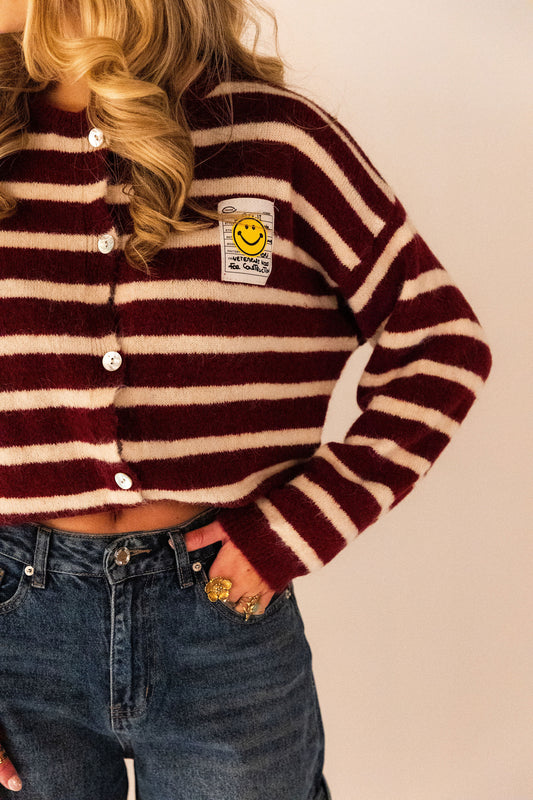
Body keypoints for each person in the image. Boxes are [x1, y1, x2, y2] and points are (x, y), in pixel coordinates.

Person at [0, 0, 491, 797]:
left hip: (222, 616)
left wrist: (296, 526)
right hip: (12, 630)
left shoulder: (277, 141)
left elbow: (441, 344)